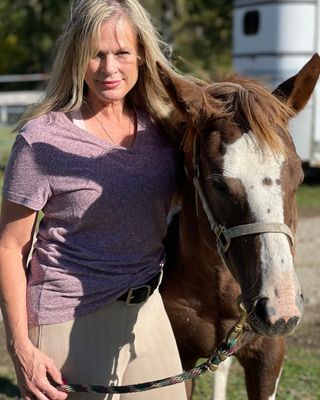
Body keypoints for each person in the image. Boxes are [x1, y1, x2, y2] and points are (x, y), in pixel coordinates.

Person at [0, 1, 188, 399]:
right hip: (65, 323)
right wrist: (21, 349)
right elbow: (9, 247)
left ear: (141, 55)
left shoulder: (165, 131)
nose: (109, 68)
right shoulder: (41, 140)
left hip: (148, 313)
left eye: (121, 53)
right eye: (95, 54)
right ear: (75, 58)